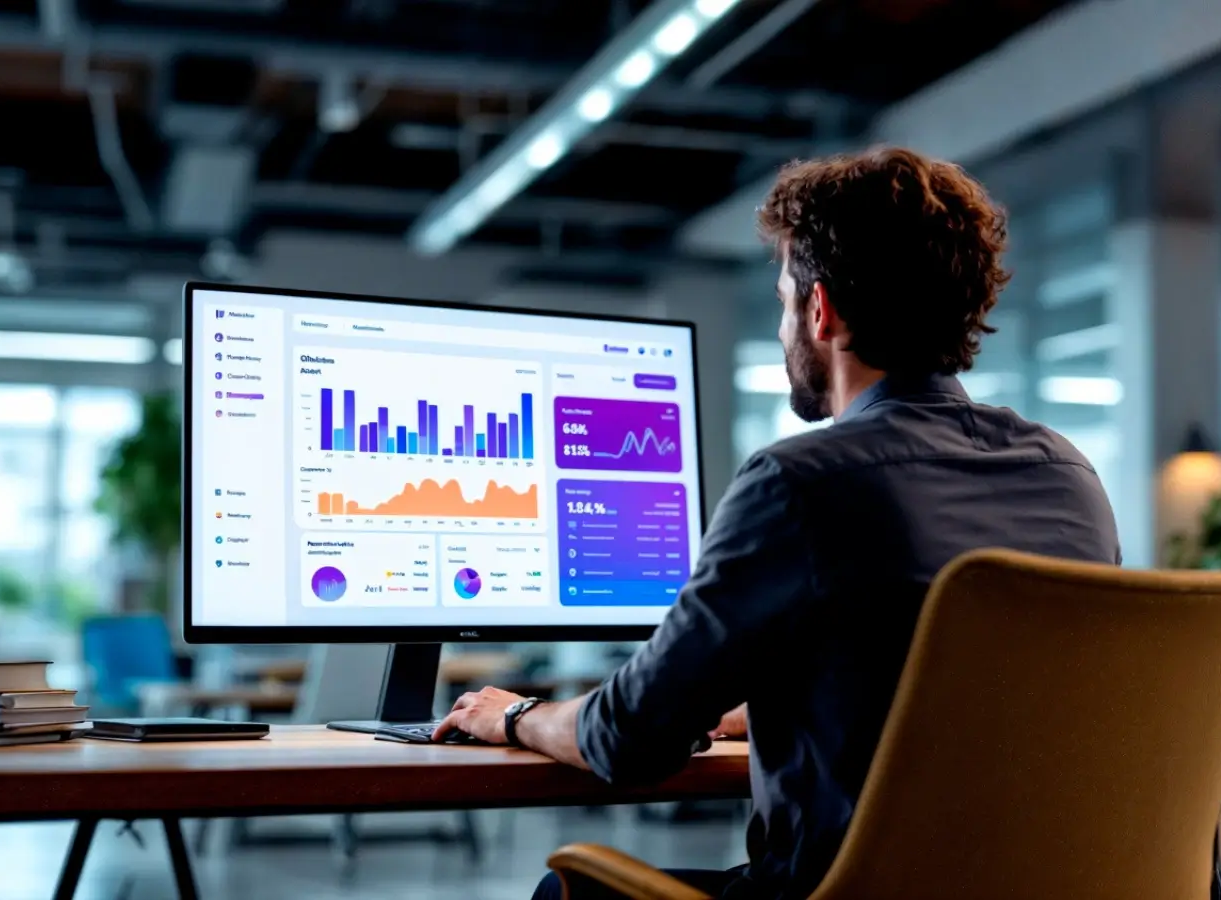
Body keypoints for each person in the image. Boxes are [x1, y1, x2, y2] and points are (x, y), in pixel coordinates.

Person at [434, 146, 1122, 900]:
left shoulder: (800, 484)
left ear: (820, 310)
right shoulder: (1066, 474)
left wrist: (518, 715)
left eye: (784, 296)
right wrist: (781, 708)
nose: (786, 318)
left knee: (564, 893)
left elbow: (630, 735)